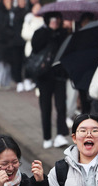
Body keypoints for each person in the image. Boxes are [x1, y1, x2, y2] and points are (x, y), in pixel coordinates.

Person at [31, 11, 69, 149]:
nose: (55, 21)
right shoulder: (40, 32)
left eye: (57, 18)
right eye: (52, 18)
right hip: (44, 76)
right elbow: (36, 47)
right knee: (45, 106)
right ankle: (47, 137)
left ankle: (60, 134)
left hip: (59, 75)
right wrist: (49, 33)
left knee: (61, 106)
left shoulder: (63, 33)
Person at [0, 0, 27, 91]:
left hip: (10, 41)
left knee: (8, 63)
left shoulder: (13, 11)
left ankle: (6, 82)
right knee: (0, 62)